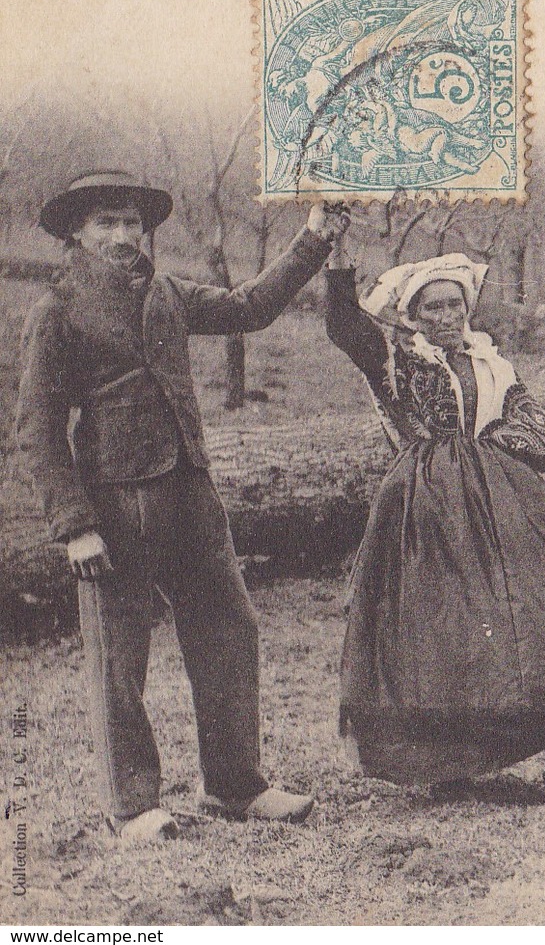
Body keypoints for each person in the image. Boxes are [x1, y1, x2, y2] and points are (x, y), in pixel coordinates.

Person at [15, 170, 346, 841]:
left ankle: (235, 784)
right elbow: (37, 428)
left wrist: (315, 237)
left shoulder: (165, 289)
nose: (123, 234)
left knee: (230, 627)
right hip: (114, 504)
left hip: (191, 492)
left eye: (133, 222)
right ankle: (133, 807)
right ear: (74, 232)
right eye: (106, 222)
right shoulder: (56, 308)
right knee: (119, 658)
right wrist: (75, 525)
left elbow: (249, 306)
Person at [323, 252, 545, 801]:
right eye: (432, 307)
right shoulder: (398, 358)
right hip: (426, 504)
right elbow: (344, 326)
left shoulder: (493, 363)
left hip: (501, 492)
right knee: (445, 626)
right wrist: (336, 261)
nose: (446, 316)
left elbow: (529, 420)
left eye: (454, 304)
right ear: (413, 314)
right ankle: (450, 768)